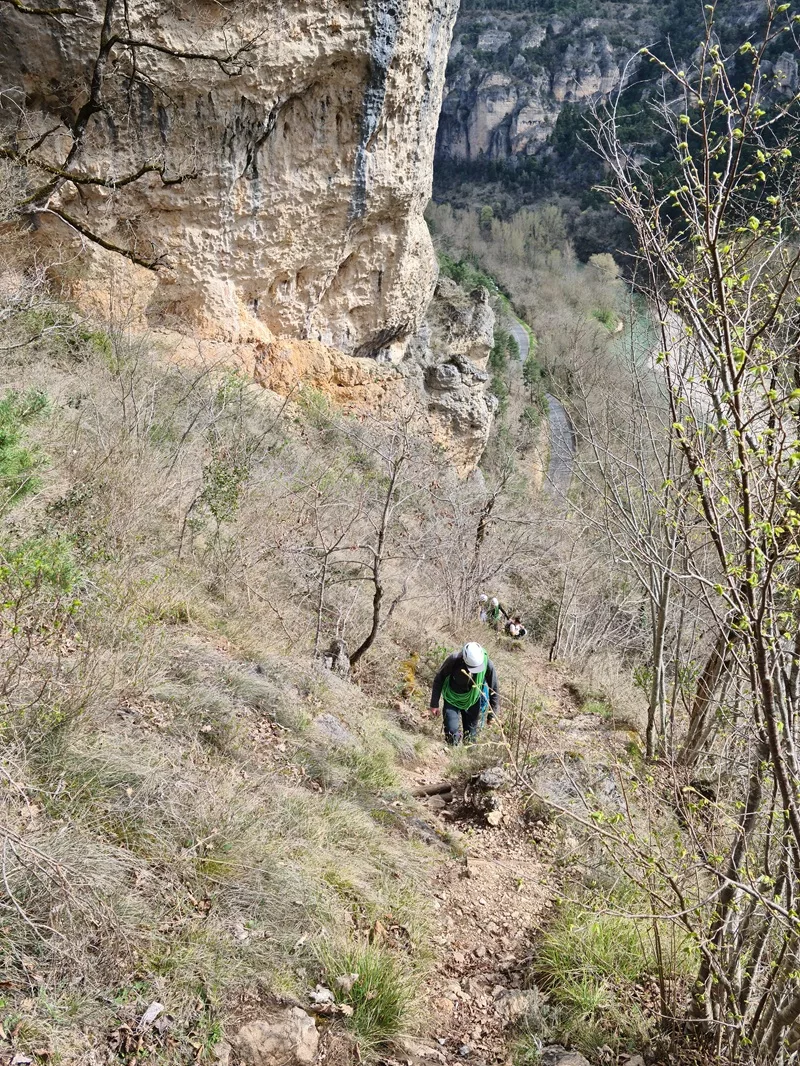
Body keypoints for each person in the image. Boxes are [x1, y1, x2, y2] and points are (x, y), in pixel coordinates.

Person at [429, 641, 500, 746]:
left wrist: (492, 715)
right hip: (452, 698)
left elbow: (493, 690)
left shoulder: (487, 664)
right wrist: (434, 704)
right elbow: (439, 679)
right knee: (451, 732)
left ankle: (467, 757)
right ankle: (452, 751)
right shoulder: (454, 660)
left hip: (473, 701)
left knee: (471, 738)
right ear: (464, 659)